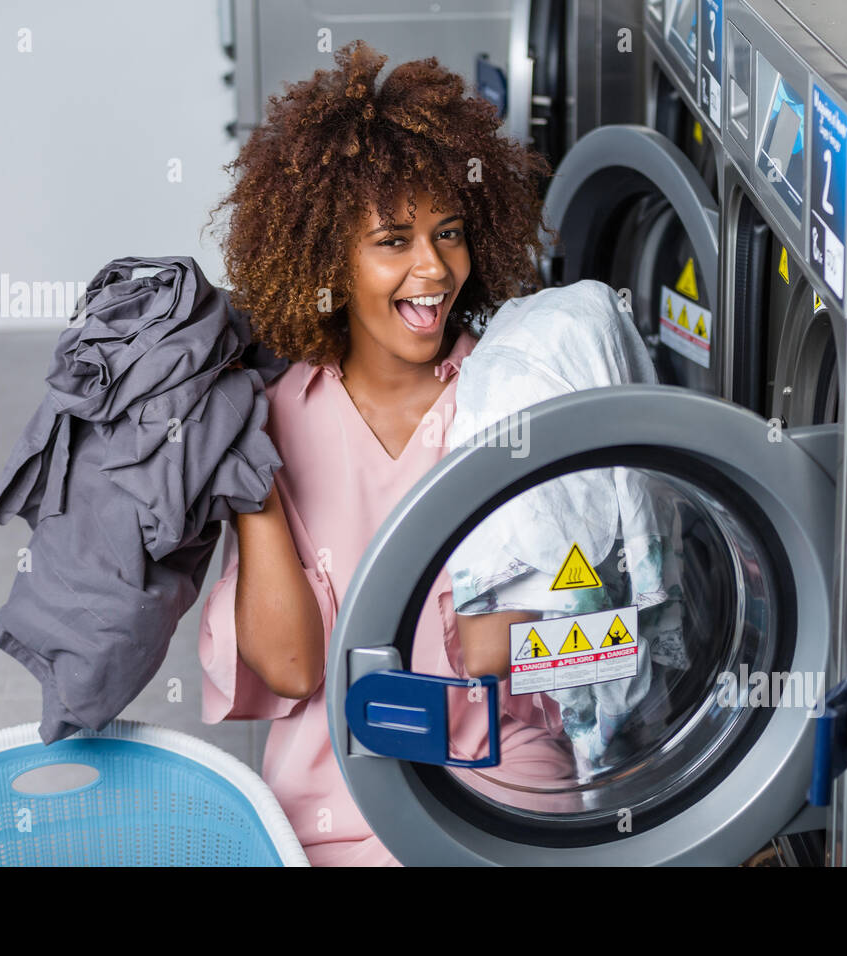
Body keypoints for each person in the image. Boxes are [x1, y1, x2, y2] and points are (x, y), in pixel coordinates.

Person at [197, 39, 575, 865]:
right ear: (329, 258)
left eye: (448, 234)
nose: (432, 269)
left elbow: (589, 633)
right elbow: (294, 668)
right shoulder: (272, 421)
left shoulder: (512, 396)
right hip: (331, 805)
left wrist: (510, 638)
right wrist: (251, 477)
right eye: (393, 242)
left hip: (500, 781)